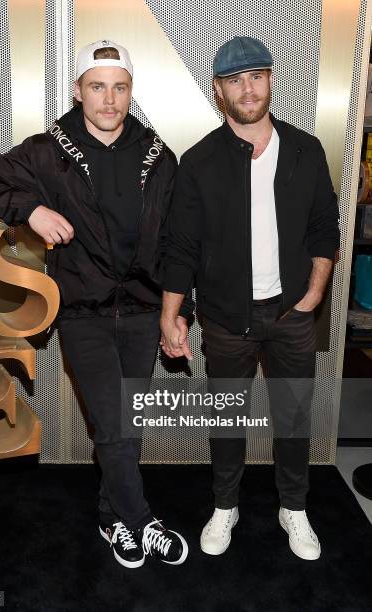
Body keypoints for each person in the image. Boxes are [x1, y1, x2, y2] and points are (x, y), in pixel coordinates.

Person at [0, 39, 189, 569]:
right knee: (111, 423)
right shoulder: (48, 152)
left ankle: (111, 517)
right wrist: (29, 209)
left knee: (126, 424)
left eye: (120, 87)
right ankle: (140, 519)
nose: (109, 100)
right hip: (83, 312)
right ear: (78, 90)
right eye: (98, 87)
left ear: (131, 92)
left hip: (144, 310)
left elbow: (178, 245)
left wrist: (179, 313)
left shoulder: (159, 157)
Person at [160, 36, 339, 561]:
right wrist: (172, 316)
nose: (247, 88)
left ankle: (295, 507)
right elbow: (181, 247)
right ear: (220, 90)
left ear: (269, 79)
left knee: (293, 415)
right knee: (227, 416)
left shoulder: (306, 149)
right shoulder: (199, 162)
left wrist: (314, 291)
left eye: (255, 76)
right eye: (235, 80)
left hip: (291, 313)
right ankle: (225, 505)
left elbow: (324, 227)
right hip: (222, 318)